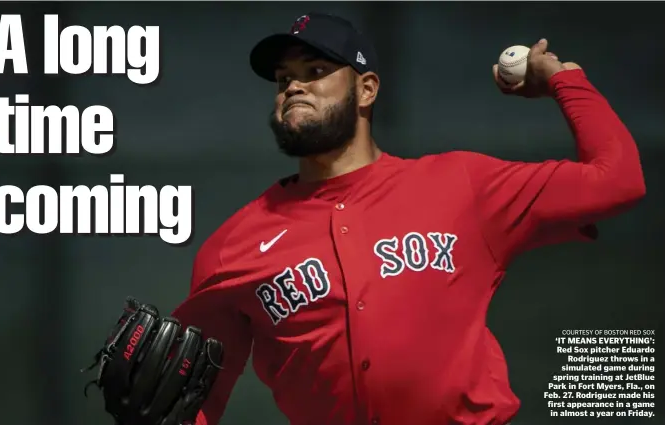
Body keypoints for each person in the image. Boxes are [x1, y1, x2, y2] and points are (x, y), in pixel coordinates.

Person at [171, 12, 646, 425]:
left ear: (367, 89)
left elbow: (618, 181)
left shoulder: (461, 184)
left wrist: (566, 81)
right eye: (283, 79)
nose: (294, 86)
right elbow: (190, 400)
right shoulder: (233, 246)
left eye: (316, 70)